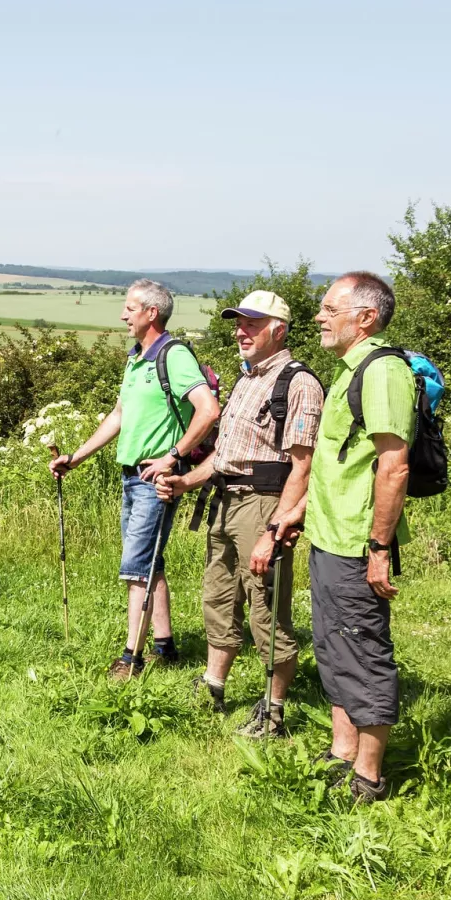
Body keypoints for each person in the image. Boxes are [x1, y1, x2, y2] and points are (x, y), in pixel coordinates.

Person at [154, 290, 322, 737]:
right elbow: (226, 456)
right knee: (219, 598)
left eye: (251, 323)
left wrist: (276, 528)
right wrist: (185, 481)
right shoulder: (248, 379)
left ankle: (273, 711)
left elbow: (304, 466)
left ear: (278, 330)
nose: (240, 331)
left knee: (265, 607)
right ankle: (213, 685)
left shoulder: (297, 382)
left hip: (265, 505)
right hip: (226, 505)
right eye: (238, 323)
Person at [50, 279, 221, 679]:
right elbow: (119, 416)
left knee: (136, 567)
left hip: (155, 479)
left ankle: (131, 658)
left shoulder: (174, 356)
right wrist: (75, 457)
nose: (123, 315)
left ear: (152, 313)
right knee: (150, 563)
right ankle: (165, 645)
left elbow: (208, 409)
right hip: (132, 477)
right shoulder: (136, 358)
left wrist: (173, 457)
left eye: (130, 308)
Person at [303, 271, 415, 803]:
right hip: (329, 534)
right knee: (332, 646)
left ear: (365, 317)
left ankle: (369, 777)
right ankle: (342, 750)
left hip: (355, 542)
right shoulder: (350, 371)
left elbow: (394, 466)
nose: (320, 317)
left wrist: (378, 549)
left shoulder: (382, 371)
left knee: (363, 651)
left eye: (330, 308)